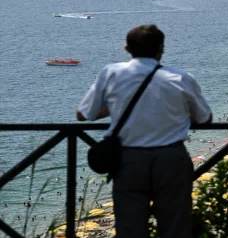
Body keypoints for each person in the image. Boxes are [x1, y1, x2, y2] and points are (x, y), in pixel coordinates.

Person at [76, 24, 212, 238]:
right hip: (171, 158)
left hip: (129, 159)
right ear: (161, 49)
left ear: (126, 48)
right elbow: (205, 118)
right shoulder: (181, 77)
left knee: (130, 229)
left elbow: (84, 114)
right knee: (176, 226)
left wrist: (115, 107)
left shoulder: (111, 73)